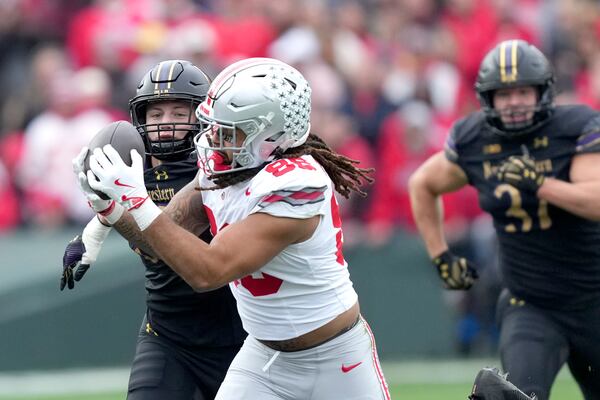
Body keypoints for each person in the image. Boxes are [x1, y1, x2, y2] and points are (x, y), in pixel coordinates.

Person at [77, 57, 390, 400]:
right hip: (263, 360)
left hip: (336, 360)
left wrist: (137, 202)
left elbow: (210, 270)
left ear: (269, 133)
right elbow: (159, 241)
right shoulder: (221, 169)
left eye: (227, 128)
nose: (212, 137)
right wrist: (111, 208)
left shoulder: (298, 184)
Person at [408, 39, 600, 400]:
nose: (513, 102)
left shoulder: (576, 126)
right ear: (488, 98)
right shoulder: (475, 138)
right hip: (531, 303)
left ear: (542, 92)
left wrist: (541, 185)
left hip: (594, 297)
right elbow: (422, 184)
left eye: (523, 92)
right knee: (513, 396)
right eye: (503, 93)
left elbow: (597, 201)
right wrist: (440, 254)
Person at [61, 59, 246, 400]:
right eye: (156, 115)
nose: (165, 125)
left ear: (202, 117)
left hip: (239, 337)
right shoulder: (131, 163)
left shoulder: (219, 168)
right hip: (168, 333)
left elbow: (160, 241)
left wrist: (112, 211)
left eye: (178, 114)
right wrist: (98, 222)